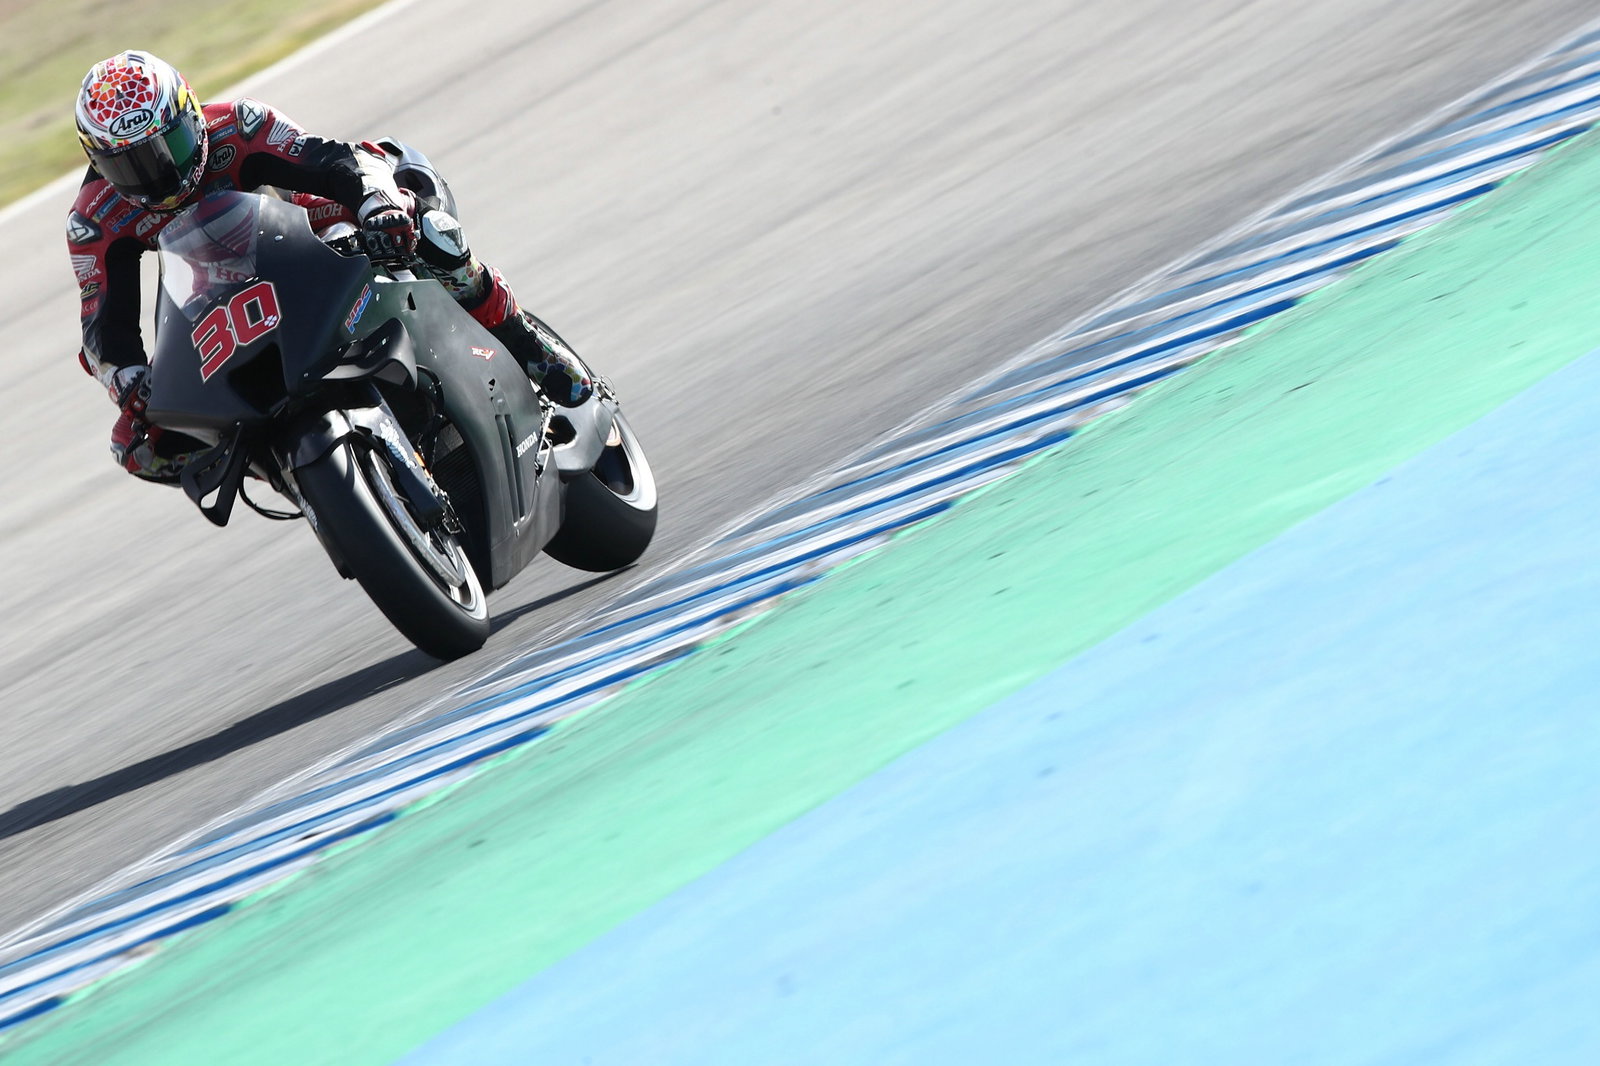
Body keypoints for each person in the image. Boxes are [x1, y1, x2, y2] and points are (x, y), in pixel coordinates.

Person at [68, 49, 593, 483]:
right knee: (140, 447)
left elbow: (331, 161)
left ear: (191, 113)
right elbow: (104, 326)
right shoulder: (94, 220)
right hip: (218, 304)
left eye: (170, 146)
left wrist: (377, 205)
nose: (161, 172)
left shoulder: (238, 124)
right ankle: (289, 469)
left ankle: (526, 346)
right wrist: (129, 382)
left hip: (305, 236)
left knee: (426, 230)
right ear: (98, 162)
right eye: (130, 164)